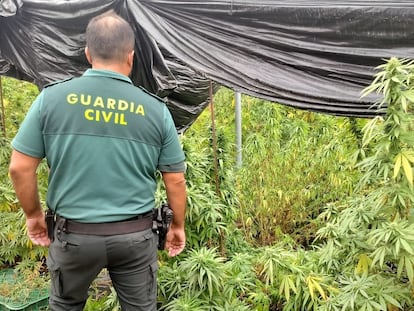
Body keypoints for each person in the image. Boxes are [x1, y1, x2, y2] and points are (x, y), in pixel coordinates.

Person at [8, 11, 187, 311]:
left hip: (73, 237)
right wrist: (177, 226)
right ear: (130, 57)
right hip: (135, 237)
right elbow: (176, 179)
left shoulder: (51, 100)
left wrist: (34, 216)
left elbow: (20, 167)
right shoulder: (155, 110)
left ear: (88, 53)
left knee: (65, 305)